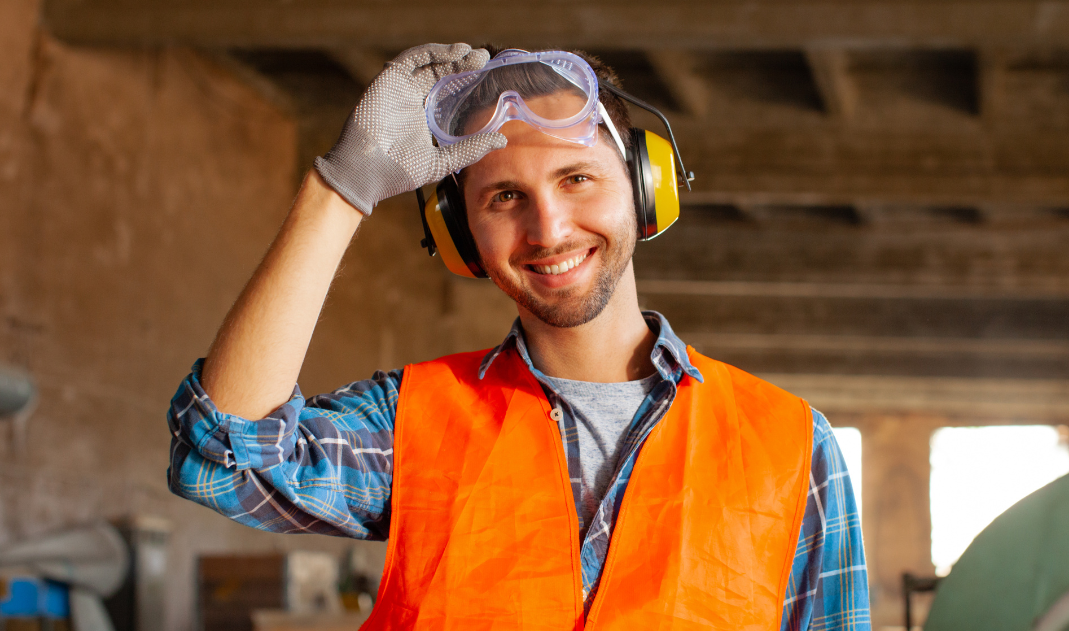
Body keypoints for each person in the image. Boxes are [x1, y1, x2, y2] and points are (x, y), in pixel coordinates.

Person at [168, 43, 870, 630]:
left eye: (577, 178)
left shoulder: (792, 446)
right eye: (504, 197)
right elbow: (223, 456)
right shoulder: (411, 422)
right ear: (459, 235)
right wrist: (342, 188)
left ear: (644, 186)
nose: (549, 229)